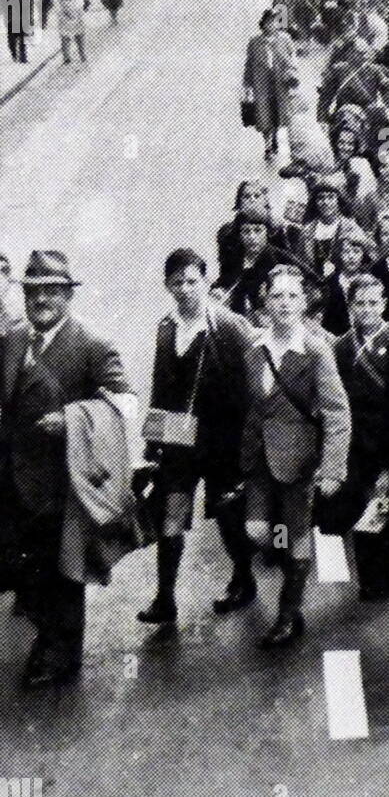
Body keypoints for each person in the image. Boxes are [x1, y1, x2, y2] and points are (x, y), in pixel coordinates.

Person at [0, 251, 135, 689]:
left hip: (63, 481)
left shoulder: (91, 344)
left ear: (67, 296)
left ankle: (63, 653)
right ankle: (47, 636)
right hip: (13, 477)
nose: (41, 299)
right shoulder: (15, 338)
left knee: (64, 571)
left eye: (51, 291)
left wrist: (73, 417)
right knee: (25, 568)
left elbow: (126, 402)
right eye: (33, 291)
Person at [138, 250, 258, 628]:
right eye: (178, 282)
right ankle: (165, 597)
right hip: (179, 437)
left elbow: (253, 389)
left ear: (205, 281)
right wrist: (154, 443)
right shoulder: (166, 327)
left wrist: (251, 444)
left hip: (224, 439)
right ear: (167, 286)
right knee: (170, 513)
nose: (186, 289)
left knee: (226, 514)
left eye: (193, 281)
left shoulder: (229, 325)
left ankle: (243, 578)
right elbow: (161, 387)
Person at [242, 265, 351, 648]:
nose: (284, 303)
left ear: (304, 303)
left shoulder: (316, 350)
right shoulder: (254, 348)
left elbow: (337, 411)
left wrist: (333, 469)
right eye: (277, 296)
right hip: (258, 460)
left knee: (295, 537)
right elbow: (253, 406)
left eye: (292, 296)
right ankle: (290, 581)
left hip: (299, 460)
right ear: (265, 302)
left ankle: (288, 613)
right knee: (258, 532)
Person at [329, 273, 389, 598]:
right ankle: (368, 576)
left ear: (384, 304)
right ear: (350, 306)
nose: (366, 309)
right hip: (355, 438)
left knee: (387, 503)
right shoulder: (341, 346)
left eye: (373, 303)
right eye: (359, 303)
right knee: (358, 504)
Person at [243, 9, 299, 163]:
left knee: (277, 114)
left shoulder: (285, 40)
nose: (272, 25)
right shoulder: (254, 42)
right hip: (262, 84)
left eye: (275, 22)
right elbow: (248, 64)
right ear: (263, 24)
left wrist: (293, 78)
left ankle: (274, 136)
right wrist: (247, 87)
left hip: (280, 84)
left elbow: (293, 60)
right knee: (263, 115)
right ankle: (267, 144)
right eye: (269, 22)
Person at [51, 0, 88, 65]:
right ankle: (66, 57)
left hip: (76, 13)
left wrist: (78, 9)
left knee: (79, 34)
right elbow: (55, 0)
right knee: (65, 35)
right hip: (64, 13)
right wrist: (61, 12)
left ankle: (82, 54)